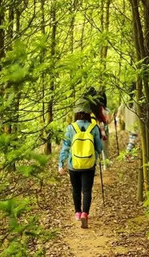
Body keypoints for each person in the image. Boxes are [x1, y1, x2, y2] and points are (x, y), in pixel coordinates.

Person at [58, 98, 103, 229]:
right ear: (89, 112)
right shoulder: (93, 127)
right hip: (89, 164)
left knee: (76, 189)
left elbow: (65, 148)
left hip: (74, 164)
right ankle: (85, 213)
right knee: (87, 190)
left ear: (76, 112)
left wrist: (61, 164)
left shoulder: (70, 128)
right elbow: (99, 148)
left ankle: (77, 212)